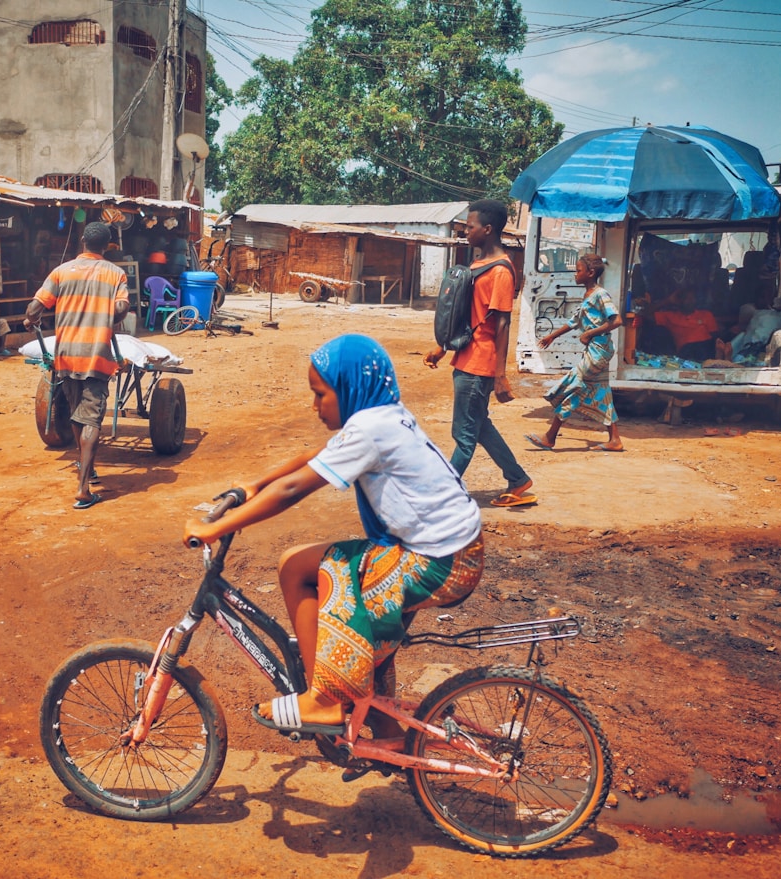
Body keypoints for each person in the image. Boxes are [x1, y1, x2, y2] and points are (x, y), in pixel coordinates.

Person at [184, 334, 484, 740]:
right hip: (455, 551)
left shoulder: (368, 429)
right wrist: (254, 484)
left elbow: (294, 490)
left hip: (438, 562)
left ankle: (324, 700)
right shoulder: (383, 414)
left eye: (320, 394)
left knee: (298, 568)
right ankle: (383, 729)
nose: (315, 406)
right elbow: (315, 459)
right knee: (364, 614)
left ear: (348, 387)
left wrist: (214, 527)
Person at [423, 198, 534, 508]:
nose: (465, 231)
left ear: (487, 229)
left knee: (464, 433)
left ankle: (441, 495)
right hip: (466, 358)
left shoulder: (501, 272)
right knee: (478, 425)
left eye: (470, 227)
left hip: (480, 365)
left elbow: (502, 324)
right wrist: (442, 347)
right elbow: (466, 316)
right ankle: (517, 478)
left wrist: (501, 376)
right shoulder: (476, 266)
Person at [24, 222, 129, 509]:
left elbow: (33, 310)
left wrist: (30, 319)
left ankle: (87, 466)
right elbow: (120, 311)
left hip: (66, 355)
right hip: (96, 355)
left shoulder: (61, 271)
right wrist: (114, 309)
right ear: (107, 246)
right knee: (92, 419)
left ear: (82, 241)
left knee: (76, 414)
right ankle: (83, 488)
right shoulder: (116, 274)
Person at [525, 254, 624, 452]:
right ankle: (615, 440)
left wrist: (590, 333)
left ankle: (550, 437)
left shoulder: (600, 294)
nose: (575, 274)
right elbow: (573, 322)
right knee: (603, 394)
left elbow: (617, 320)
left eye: (578, 270)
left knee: (575, 387)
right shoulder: (588, 296)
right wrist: (552, 336)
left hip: (599, 351)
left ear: (591, 273)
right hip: (595, 350)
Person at [644, 287, 719, 361]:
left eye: (693, 298)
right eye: (687, 298)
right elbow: (645, 313)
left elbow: (715, 339)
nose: (691, 301)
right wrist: (668, 300)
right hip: (685, 354)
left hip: (705, 351)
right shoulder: (670, 316)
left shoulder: (706, 315)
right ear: (679, 301)